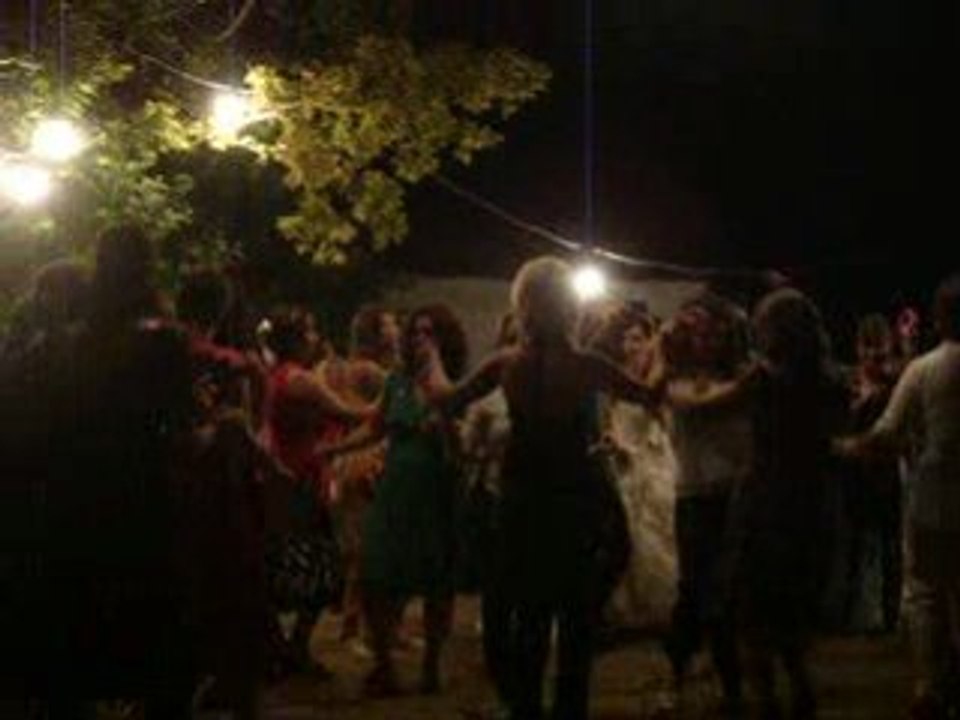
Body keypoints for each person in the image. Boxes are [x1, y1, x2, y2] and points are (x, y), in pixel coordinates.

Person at [427, 257, 660, 720]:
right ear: (569, 306)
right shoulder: (586, 365)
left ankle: (526, 708)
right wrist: (666, 355)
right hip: (574, 495)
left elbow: (447, 400)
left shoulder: (505, 363)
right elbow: (648, 395)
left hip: (522, 494)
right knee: (576, 619)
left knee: (530, 616)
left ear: (524, 304)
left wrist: (432, 361)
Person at [324, 304, 469, 696]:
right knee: (376, 573)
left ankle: (431, 665)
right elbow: (376, 427)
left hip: (436, 489)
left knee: (436, 580)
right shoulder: (397, 380)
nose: (420, 339)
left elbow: (461, 448)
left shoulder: (456, 384)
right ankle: (384, 665)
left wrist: (445, 416)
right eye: (415, 332)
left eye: (430, 333)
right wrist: (335, 450)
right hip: (396, 486)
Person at [837, 274, 960, 719]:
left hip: (934, 497)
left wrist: (844, 448)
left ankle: (928, 686)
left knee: (926, 593)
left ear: (941, 318)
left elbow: (886, 432)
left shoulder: (923, 369)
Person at [260, 306, 372, 679]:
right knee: (320, 565)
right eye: (308, 333)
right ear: (295, 339)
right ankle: (292, 648)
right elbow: (351, 414)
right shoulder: (300, 380)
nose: (315, 339)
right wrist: (391, 399)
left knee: (289, 561)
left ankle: (284, 647)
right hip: (301, 480)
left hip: (287, 475)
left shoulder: (277, 375)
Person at [658, 294, 752, 714]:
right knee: (696, 593)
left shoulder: (742, 374)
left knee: (729, 596)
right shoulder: (674, 379)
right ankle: (678, 675)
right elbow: (698, 407)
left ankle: (732, 688)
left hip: (737, 496)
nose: (708, 340)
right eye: (699, 332)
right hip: (696, 499)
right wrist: (751, 383)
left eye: (716, 333)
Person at [591, 301, 678, 634]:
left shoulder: (654, 379)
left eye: (639, 338)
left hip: (650, 455)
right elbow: (606, 417)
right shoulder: (612, 378)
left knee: (655, 528)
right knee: (624, 527)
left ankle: (656, 607)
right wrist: (612, 439)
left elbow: (661, 413)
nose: (632, 345)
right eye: (626, 339)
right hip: (621, 456)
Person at [838, 314, 902, 632]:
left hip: (884, 474)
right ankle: (848, 615)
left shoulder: (895, 385)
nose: (873, 356)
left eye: (879, 349)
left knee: (889, 547)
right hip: (852, 476)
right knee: (852, 545)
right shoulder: (847, 383)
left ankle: (889, 617)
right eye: (868, 347)